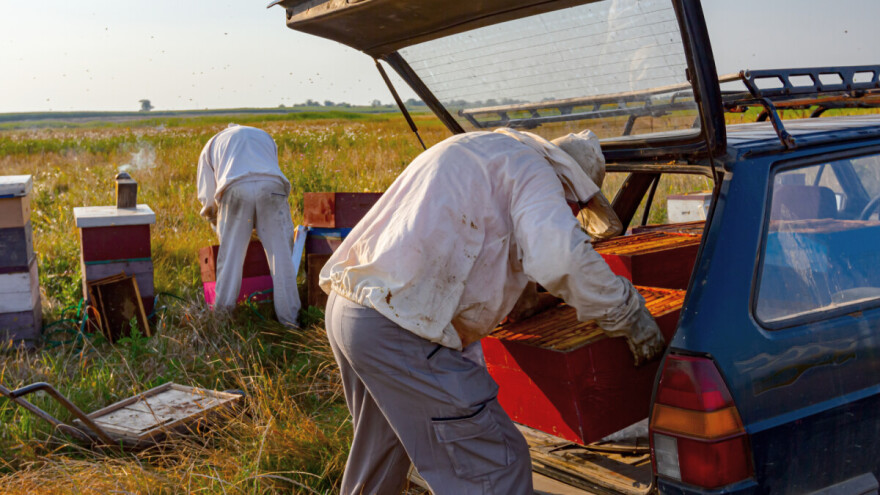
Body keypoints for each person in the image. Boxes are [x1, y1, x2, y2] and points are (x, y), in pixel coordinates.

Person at [320, 128, 666, 495]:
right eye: (572, 205)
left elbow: (482, 244)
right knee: (497, 464)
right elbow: (561, 256)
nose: (570, 213)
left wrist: (529, 301)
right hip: (399, 330)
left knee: (383, 455)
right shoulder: (536, 171)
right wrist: (628, 315)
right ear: (568, 180)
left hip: (351, 311)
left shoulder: (488, 152)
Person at [197, 124, 300, 327]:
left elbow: (207, 197)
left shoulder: (210, 146)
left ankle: (221, 319)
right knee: (282, 259)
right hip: (273, 187)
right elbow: (269, 169)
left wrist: (214, 220)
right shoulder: (264, 135)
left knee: (230, 259)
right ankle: (291, 322)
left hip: (234, 188)